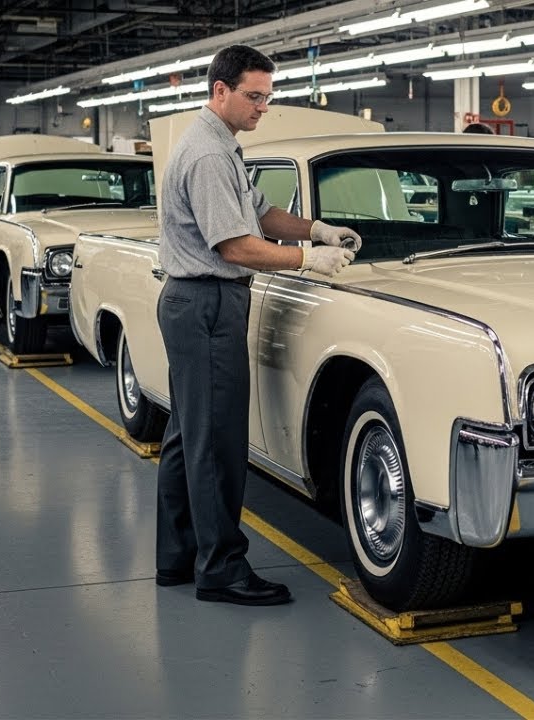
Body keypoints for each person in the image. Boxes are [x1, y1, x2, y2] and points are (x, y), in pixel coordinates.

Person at [155, 44, 360, 606]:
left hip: (197, 303)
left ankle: (178, 556)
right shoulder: (207, 156)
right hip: (209, 303)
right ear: (219, 90)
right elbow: (236, 245)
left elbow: (260, 214)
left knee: (186, 437)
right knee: (217, 442)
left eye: (267, 98)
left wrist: (315, 229)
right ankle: (221, 569)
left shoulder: (224, 147)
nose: (262, 108)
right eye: (253, 96)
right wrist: (305, 260)